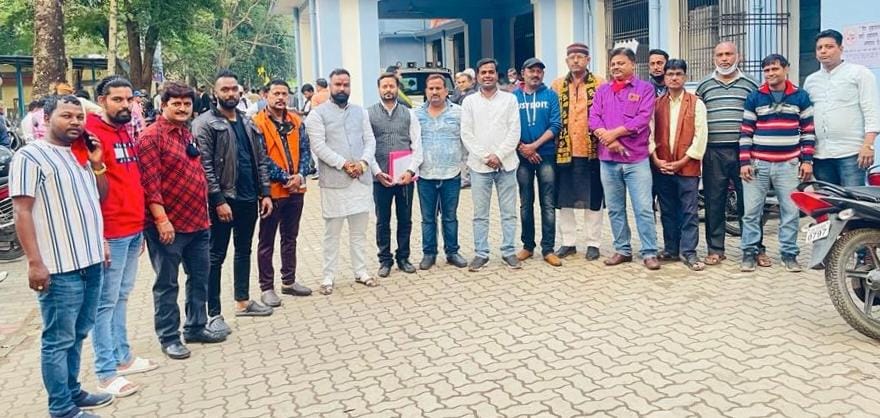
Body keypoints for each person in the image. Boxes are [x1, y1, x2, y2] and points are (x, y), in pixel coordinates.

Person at [11, 94, 112, 418]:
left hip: (90, 262)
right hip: (58, 267)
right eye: (67, 116)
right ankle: (61, 408)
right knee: (58, 339)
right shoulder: (30, 156)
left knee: (79, 332)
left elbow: (99, 198)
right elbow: (22, 211)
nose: (75, 122)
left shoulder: (79, 155)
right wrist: (34, 262)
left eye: (79, 117)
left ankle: (73, 391)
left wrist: (97, 163)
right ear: (46, 118)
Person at [78, 76, 157, 398]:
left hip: (132, 227)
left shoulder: (125, 129)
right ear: (102, 100)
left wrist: (141, 225)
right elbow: (87, 188)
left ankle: (123, 357)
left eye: (129, 99)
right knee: (104, 303)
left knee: (122, 296)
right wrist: (99, 237)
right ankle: (105, 372)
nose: (125, 105)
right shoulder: (90, 133)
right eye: (117, 99)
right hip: (110, 231)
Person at [139, 82, 226, 361]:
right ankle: (169, 337)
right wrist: (161, 220)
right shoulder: (151, 137)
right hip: (168, 226)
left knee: (199, 278)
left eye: (186, 104)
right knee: (167, 284)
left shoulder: (187, 133)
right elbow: (150, 185)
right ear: (163, 105)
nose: (182, 108)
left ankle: (196, 326)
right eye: (175, 103)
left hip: (198, 222)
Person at [193, 69, 275, 334]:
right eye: (224, 89)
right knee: (215, 256)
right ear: (215, 92)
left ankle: (243, 301)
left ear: (240, 91)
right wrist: (218, 199)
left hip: (249, 197)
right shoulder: (205, 123)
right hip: (223, 200)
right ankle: (213, 313)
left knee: (243, 250)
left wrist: (265, 193)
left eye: (233, 89)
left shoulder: (247, 121)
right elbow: (205, 165)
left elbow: (260, 160)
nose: (230, 93)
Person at [739, 54, 815, 273]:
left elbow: (808, 131)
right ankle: (749, 252)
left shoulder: (800, 96)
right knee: (751, 212)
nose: (770, 73)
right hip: (758, 165)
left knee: (790, 212)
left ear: (786, 69)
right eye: (767, 70)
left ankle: (789, 254)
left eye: (775, 69)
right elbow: (746, 132)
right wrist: (744, 162)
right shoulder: (755, 96)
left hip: (788, 165)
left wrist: (807, 161)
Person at [306, 68, 378, 295]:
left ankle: (361, 271)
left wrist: (363, 163)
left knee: (359, 232)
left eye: (346, 84)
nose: (342, 88)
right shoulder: (317, 115)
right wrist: (344, 164)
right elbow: (318, 146)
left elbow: (370, 141)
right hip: (335, 181)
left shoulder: (360, 112)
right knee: (332, 233)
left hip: (360, 180)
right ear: (330, 86)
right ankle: (328, 277)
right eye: (338, 84)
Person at [696, 41, 767, 267]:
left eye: (729, 54)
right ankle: (716, 249)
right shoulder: (704, 85)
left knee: (750, 202)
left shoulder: (751, 84)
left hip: (744, 153)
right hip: (713, 152)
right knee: (714, 201)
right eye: (720, 55)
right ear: (714, 58)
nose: (724, 59)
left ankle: (755, 248)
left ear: (739, 56)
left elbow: (760, 117)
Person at [590, 47, 660, 270]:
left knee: (643, 208)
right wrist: (609, 140)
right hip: (608, 160)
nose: (616, 67)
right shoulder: (603, 90)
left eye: (621, 63)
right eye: (613, 64)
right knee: (615, 208)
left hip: (636, 160)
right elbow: (593, 118)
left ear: (632, 65)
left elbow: (642, 119)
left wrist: (615, 133)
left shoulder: (645, 89)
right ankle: (622, 250)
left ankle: (650, 252)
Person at [252, 79, 313, 307]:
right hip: (272, 191)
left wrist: (300, 175)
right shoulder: (256, 123)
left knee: (290, 237)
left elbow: (306, 151)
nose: (280, 98)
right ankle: (267, 287)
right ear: (266, 95)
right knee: (266, 240)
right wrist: (285, 177)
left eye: (284, 94)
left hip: (296, 189)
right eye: (276, 93)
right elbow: (260, 158)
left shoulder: (296, 121)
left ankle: (289, 280)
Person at [461, 58, 522, 271]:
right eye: (483, 72)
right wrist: (486, 157)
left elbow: (514, 131)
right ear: (477, 76)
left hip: (507, 165)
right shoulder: (469, 102)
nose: (487, 75)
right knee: (480, 214)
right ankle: (481, 253)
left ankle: (509, 251)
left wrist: (499, 155)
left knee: (509, 212)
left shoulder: (510, 99)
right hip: (479, 167)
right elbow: (466, 133)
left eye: (491, 72)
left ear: (497, 75)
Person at [650, 59, 708, 271]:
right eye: (670, 74)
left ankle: (689, 251)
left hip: (688, 167)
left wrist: (683, 161)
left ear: (685, 77)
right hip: (662, 166)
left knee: (689, 211)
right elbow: (648, 133)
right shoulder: (656, 104)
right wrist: (656, 159)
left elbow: (701, 137)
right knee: (667, 210)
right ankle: (671, 249)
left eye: (678, 74)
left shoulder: (696, 103)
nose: (674, 78)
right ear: (664, 77)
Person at [550, 42, 606, 261]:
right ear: (566, 61)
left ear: (588, 60)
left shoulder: (600, 83)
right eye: (571, 57)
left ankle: (593, 243)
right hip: (564, 150)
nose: (575, 60)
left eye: (580, 57)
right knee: (565, 199)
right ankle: (568, 242)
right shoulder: (557, 85)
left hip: (592, 150)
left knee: (593, 198)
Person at [804, 29, 880, 187]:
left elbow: (871, 110)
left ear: (841, 49)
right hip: (821, 155)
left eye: (829, 46)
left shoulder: (859, 74)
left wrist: (868, 145)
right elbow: (807, 118)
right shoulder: (811, 81)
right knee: (827, 199)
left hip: (851, 153)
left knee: (853, 199)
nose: (823, 51)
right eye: (819, 48)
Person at [368, 72, 424, 277]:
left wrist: (410, 171)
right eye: (384, 86)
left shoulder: (409, 114)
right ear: (379, 89)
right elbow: (366, 147)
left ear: (397, 88)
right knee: (382, 220)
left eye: (392, 86)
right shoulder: (369, 114)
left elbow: (417, 145)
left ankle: (403, 257)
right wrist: (377, 172)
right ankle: (385, 260)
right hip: (380, 177)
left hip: (404, 178)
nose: (388, 90)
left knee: (405, 219)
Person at [415, 74, 469, 270]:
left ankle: (452, 252)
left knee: (450, 217)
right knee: (428, 218)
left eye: (439, 88)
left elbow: (466, 140)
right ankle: (429, 254)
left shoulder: (459, 113)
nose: (435, 92)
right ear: (426, 91)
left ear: (447, 91)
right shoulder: (416, 115)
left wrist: (466, 167)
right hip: (425, 175)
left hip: (451, 174)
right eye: (431, 88)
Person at [512, 58, 562, 266]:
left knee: (548, 203)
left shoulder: (550, 95)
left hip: (546, 155)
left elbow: (556, 124)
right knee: (525, 203)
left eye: (539, 71)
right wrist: (522, 147)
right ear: (523, 73)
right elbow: (507, 126)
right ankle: (527, 246)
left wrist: (534, 146)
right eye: (531, 70)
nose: (535, 74)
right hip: (521, 157)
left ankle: (548, 249)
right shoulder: (513, 97)